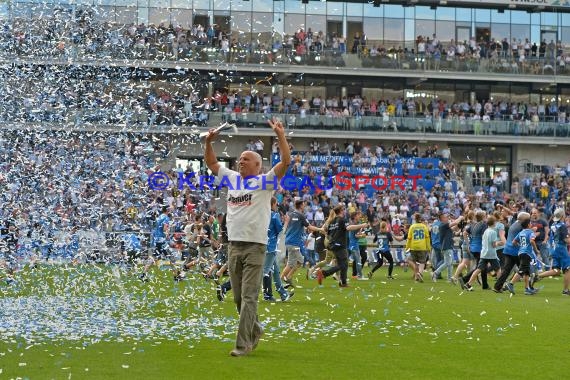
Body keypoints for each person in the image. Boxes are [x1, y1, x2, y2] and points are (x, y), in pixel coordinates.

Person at [204, 117, 291, 357]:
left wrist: (280, 136)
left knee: (250, 297)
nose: (240, 161)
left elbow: (285, 161)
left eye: (246, 159)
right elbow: (211, 162)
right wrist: (209, 142)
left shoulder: (265, 182)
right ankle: (256, 328)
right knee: (239, 299)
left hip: (255, 247)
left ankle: (243, 345)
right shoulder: (232, 178)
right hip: (234, 246)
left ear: (257, 166)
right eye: (240, 159)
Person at [316, 205, 368, 287]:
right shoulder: (342, 220)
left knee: (344, 264)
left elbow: (326, 232)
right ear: (340, 211)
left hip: (333, 245)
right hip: (340, 245)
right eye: (343, 209)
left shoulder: (332, 222)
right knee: (343, 265)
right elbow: (348, 228)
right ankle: (324, 273)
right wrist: (362, 225)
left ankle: (343, 283)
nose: (344, 211)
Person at [532, 208, 570, 294]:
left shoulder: (553, 224)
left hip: (554, 249)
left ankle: (537, 276)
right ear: (563, 216)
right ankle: (566, 290)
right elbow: (566, 240)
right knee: (568, 269)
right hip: (561, 249)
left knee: (556, 271)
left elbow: (549, 235)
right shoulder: (562, 226)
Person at [263, 197, 291, 302]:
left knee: (275, 271)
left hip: (264, 244)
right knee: (266, 271)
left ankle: (283, 294)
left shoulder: (263, 214)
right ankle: (267, 295)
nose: (276, 206)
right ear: (273, 204)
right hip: (271, 246)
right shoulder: (275, 215)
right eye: (276, 204)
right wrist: (286, 222)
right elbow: (281, 231)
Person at [464, 215, 503, 291]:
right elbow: (493, 244)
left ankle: (468, 284)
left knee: (478, 269)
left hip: (484, 253)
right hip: (491, 254)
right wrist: (499, 243)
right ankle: (498, 287)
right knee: (498, 269)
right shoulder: (493, 232)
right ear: (494, 223)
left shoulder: (486, 231)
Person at [432, 213, 464, 282]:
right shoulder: (443, 225)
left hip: (448, 246)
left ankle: (449, 278)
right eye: (446, 217)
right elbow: (455, 223)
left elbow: (454, 227)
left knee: (450, 263)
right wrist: (460, 218)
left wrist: (461, 223)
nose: (447, 218)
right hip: (446, 246)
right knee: (448, 263)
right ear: (442, 218)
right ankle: (435, 273)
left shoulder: (445, 226)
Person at [512, 218, 541, 295]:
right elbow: (532, 241)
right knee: (522, 270)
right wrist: (536, 249)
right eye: (530, 223)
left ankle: (527, 289)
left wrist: (521, 246)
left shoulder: (521, 232)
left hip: (521, 252)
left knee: (527, 272)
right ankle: (510, 284)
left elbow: (514, 242)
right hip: (527, 253)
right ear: (528, 225)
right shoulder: (530, 232)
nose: (531, 224)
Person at [406, 213, 431, 282]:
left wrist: (407, 247)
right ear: (420, 219)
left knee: (415, 263)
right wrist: (429, 247)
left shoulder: (412, 227)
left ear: (415, 219)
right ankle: (420, 273)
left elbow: (409, 238)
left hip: (413, 247)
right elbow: (427, 238)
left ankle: (416, 277)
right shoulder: (424, 226)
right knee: (422, 262)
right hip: (422, 246)